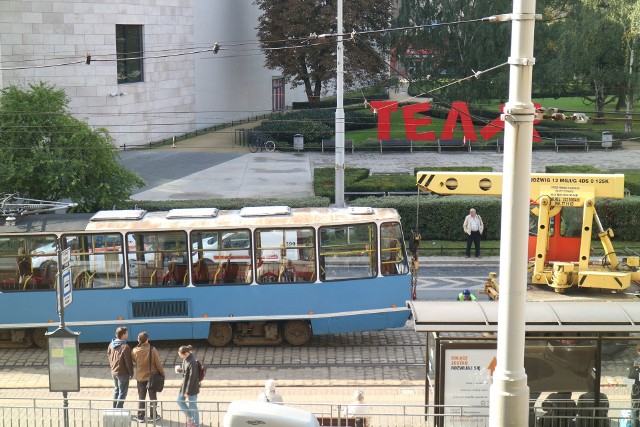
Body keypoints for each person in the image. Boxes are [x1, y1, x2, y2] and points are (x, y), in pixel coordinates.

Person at [131, 332, 165, 423]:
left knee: (141, 397)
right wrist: (163, 374)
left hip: (140, 378)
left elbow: (135, 361)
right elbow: (158, 364)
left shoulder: (135, 350)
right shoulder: (152, 350)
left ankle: (140, 417)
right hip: (152, 378)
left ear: (138, 340)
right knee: (153, 397)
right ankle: (153, 416)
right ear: (147, 340)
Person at [107, 326, 134, 409]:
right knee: (122, 392)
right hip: (123, 373)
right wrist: (131, 373)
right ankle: (118, 410)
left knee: (116, 390)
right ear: (123, 335)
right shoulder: (125, 347)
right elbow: (128, 362)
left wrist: (112, 366)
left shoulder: (111, 344)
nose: (127, 334)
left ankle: (114, 408)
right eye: (126, 333)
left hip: (114, 372)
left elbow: (108, 355)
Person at [177, 345, 200, 427]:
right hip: (184, 386)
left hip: (192, 388)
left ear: (186, 354)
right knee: (179, 401)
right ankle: (191, 417)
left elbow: (192, 378)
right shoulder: (186, 359)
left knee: (193, 406)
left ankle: (196, 424)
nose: (180, 357)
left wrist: (187, 391)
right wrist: (179, 370)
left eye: (181, 355)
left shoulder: (192, 362)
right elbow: (185, 369)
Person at [628, 344, 640, 427]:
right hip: (636, 391)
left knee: (635, 411)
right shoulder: (635, 362)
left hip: (636, 392)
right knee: (635, 411)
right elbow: (629, 379)